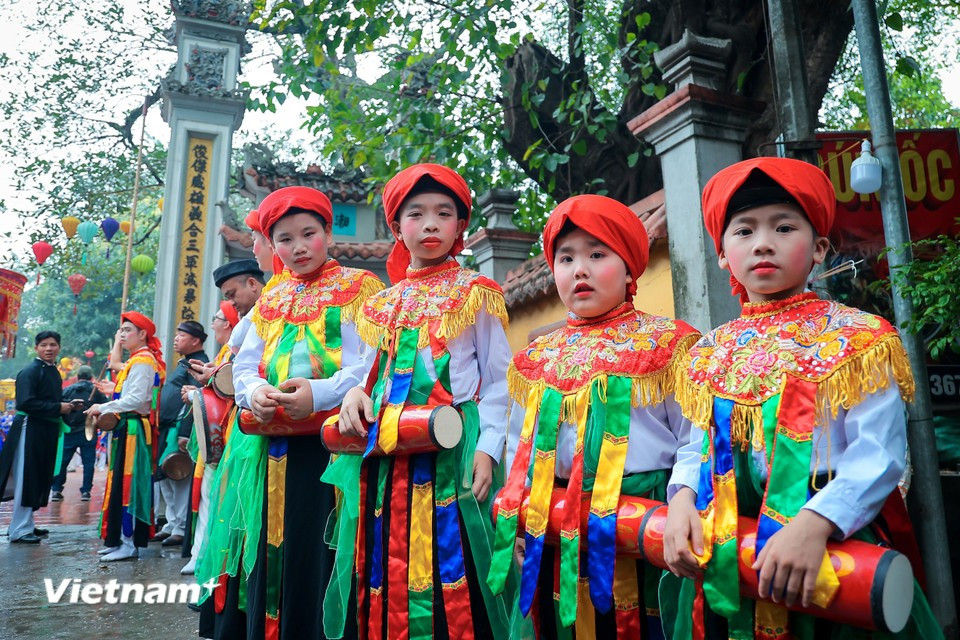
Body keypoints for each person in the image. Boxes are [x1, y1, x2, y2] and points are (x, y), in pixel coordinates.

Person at [662, 157, 940, 639]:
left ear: (819, 248)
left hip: (827, 539)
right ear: (723, 255)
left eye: (784, 227)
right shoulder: (711, 349)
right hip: (728, 540)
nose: (763, 242)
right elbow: (697, 444)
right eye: (743, 231)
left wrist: (816, 524)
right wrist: (682, 497)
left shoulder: (858, 337)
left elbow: (880, 453)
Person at [486, 195, 700, 638]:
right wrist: (520, 515)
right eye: (566, 258)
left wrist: (683, 501)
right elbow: (519, 446)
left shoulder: (670, 344)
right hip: (559, 520)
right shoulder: (537, 358)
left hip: (645, 516)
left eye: (597, 255)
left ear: (629, 269)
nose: (579, 269)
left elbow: (695, 438)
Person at [334, 164, 512, 639]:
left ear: (460, 227)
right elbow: (369, 374)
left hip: (456, 446)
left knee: (456, 551)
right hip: (392, 452)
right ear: (396, 227)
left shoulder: (477, 294)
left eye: (444, 213)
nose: (430, 223)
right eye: (416, 214)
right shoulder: (380, 305)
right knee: (387, 554)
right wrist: (354, 393)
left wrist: (488, 450)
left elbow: (499, 383)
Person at [226, 186, 384, 639]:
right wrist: (254, 392)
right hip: (273, 447)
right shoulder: (271, 300)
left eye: (308, 234)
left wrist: (316, 394)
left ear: (329, 233)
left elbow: (369, 365)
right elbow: (244, 364)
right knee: (277, 547)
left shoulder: (358, 289)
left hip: (335, 447)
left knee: (328, 550)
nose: (297, 247)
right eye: (285, 239)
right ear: (271, 246)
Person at [86, 312, 166, 561]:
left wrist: (103, 407)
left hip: (133, 431)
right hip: (126, 430)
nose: (122, 334)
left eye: (128, 330)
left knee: (129, 486)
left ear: (143, 334)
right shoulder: (136, 360)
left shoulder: (143, 361)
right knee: (120, 482)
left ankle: (129, 543)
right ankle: (118, 539)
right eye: (121, 330)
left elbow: (137, 400)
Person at [0, 331, 75, 543]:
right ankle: (18, 530)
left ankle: (27, 525)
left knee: (37, 476)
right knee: (26, 477)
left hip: (44, 429)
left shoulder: (51, 371)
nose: (49, 348)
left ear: (59, 348)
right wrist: (58, 407)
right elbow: (24, 403)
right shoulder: (31, 371)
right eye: (44, 345)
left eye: (53, 344)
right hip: (29, 428)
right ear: (36, 348)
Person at [180, 301, 239, 575]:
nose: (212, 323)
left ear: (227, 323)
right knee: (208, 495)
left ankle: (205, 556)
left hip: (228, 433)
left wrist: (197, 392)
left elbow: (229, 392)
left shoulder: (236, 352)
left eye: (216, 318)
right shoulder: (226, 351)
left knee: (216, 495)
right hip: (217, 432)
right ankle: (200, 554)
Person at [153, 320, 209, 548]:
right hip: (168, 427)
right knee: (165, 475)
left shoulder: (198, 364)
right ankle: (172, 523)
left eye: (181, 335)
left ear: (195, 340)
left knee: (180, 476)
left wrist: (185, 432)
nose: (176, 338)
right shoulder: (183, 362)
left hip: (180, 427)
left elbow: (195, 401)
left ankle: (181, 527)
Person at [51, 365, 108, 502]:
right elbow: (106, 408)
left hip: (69, 431)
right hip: (88, 431)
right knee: (88, 463)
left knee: (63, 462)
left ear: (77, 377)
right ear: (91, 378)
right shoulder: (96, 392)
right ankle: (86, 491)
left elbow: (59, 408)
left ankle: (57, 489)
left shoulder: (67, 391)